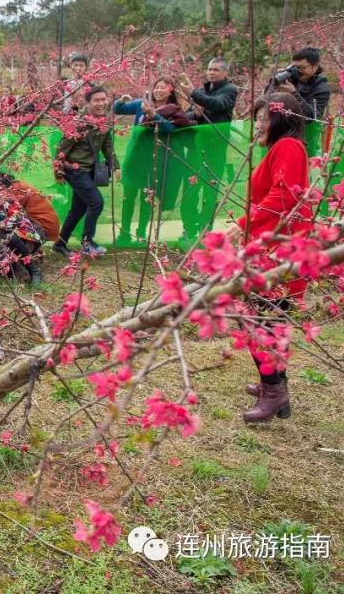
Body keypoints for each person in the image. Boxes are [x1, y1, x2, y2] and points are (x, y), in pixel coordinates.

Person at [226, 93, 313, 424]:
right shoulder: (282, 149)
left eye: (264, 118)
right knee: (269, 320)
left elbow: (284, 196)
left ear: (282, 118)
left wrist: (241, 226)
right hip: (275, 248)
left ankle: (274, 391)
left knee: (259, 320)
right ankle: (276, 388)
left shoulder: (288, 147)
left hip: (279, 252)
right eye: (257, 118)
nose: (259, 125)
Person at [113, 77, 196, 245]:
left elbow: (172, 130)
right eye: (156, 87)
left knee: (147, 198)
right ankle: (124, 233)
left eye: (162, 88)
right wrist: (121, 100)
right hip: (135, 156)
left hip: (154, 159)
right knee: (128, 196)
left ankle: (141, 232)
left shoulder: (174, 110)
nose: (158, 90)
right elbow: (117, 109)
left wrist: (154, 116)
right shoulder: (140, 104)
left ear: (170, 90)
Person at [52, 87, 119, 257]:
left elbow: (107, 145)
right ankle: (87, 243)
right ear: (88, 103)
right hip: (74, 170)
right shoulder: (78, 123)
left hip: (89, 170)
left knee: (78, 209)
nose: (101, 103)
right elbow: (61, 148)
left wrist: (115, 165)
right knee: (96, 203)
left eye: (104, 99)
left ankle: (60, 244)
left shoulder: (104, 121)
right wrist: (58, 172)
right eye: (97, 100)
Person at [180, 58, 239, 243]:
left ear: (225, 73)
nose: (211, 72)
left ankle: (206, 231)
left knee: (210, 191)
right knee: (190, 190)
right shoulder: (203, 90)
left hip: (215, 149)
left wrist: (193, 93)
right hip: (196, 148)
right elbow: (189, 114)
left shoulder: (230, 90)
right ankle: (189, 229)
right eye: (209, 69)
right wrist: (195, 113)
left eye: (215, 70)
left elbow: (218, 104)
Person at [276, 47, 330, 155]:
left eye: (302, 68)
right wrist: (276, 82)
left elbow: (310, 116)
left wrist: (293, 93)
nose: (298, 71)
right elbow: (266, 100)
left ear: (315, 66)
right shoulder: (290, 78)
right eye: (295, 67)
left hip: (305, 140)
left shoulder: (322, 88)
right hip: (280, 135)